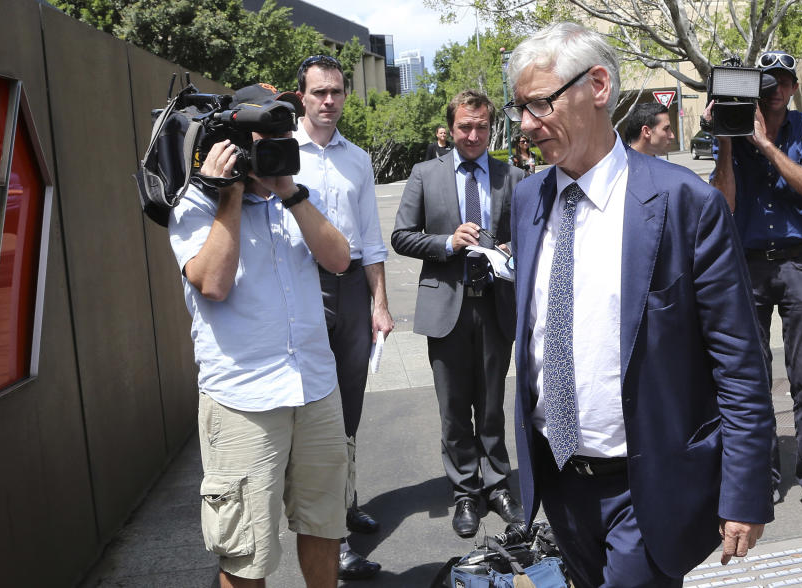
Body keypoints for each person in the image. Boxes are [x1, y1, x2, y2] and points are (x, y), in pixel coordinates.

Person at [506, 23, 775, 586]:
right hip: (559, 480)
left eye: (539, 104)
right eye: (519, 109)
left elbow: (739, 363)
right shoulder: (528, 196)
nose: (526, 126)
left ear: (598, 85)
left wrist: (745, 488)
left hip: (647, 487)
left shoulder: (685, 202)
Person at [168, 83, 351, 588]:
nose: (272, 146)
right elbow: (214, 284)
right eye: (262, 137)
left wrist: (290, 192)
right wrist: (229, 195)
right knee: (246, 548)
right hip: (244, 400)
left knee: (324, 524)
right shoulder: (194, 203)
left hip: (315, 387)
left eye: (280, 134)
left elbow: (339, 259)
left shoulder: (291, 196)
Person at [392, 89, 525, 539]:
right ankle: (465, 490)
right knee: (453, 408)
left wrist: (511, 247)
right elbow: (402, 236)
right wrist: (448, 242)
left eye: (482, 127)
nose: (473, 135)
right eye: (465, 127)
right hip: (446, 304)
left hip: (494, 305)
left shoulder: (513, 176)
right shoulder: (424, 174)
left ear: (492, 128)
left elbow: (531, 233)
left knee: (491, 404)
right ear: (450, 129)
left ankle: (498, 483)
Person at [709, 49, 802, 522]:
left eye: (783, 82)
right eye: (767, 82)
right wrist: (727, 138)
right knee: (752, 380)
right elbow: (723, 203)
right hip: (747, 264)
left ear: (794, 87)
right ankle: (764, 478)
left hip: (799, 264)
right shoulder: (735, 130)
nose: (776, 91)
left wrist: (764, 145)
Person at [292, 54, 394, 580]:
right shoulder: (282, 156)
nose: (328, 101)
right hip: (302, 287)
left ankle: (347, 503)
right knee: (318, 414)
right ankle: (330, 535)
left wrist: (379, 302)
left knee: (349, 408)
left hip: (352, 287)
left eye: (335, 92)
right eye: (318, 92)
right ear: (301, 96)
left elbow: (372, 238)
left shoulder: (358, 159)